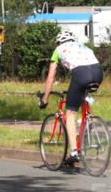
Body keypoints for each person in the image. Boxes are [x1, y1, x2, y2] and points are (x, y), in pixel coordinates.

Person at [39, 29, 103, 165]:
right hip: (98, 72)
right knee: (83, 96)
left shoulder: (58, 50)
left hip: (80, 73)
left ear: (59, 42)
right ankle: (87, 122)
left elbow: (50, 77)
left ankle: (74, 151)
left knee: (70, 112)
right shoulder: (82, 46)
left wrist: (45, 99)